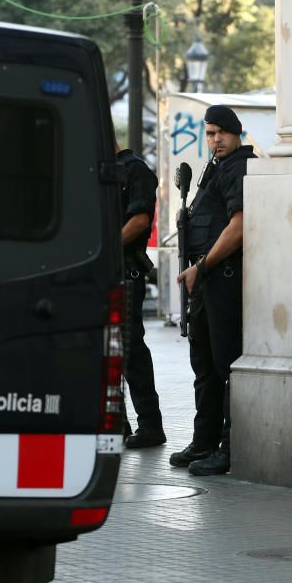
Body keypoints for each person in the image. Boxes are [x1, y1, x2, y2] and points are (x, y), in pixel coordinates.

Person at [170, 105, 255, 476]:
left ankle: (229, 447)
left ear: (237, 133)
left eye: (221, 132)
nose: (215, 139)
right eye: (209, 133)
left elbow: (240, 226)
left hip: (221, 279)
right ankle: (203, 440)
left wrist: (202, 267)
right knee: (204, 365)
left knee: (225, 365)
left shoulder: (239, 167)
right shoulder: (214, 170)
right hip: (204, 281)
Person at [116, 140, 167, 448]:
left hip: (125, 270)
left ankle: (150, 425)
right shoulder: (97, 171)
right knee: (105, 351)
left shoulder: (135, 171)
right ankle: (117, 424)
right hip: (104, 272)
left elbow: (139, 221)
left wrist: (105, 250)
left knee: (131, 349)